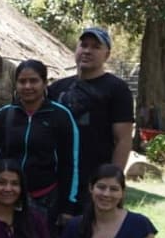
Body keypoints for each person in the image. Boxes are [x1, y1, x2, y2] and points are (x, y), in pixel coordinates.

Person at [0, 60, 80, 223]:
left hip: (44, 198)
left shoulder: (60, 116)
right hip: (6, 198)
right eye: (22, 81)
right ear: (15, 84)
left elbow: (70, 163)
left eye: (34, 81)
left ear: (44, 83)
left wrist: (67, 206)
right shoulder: (4, 115)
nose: (27, 86)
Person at [48, 25, 135, 178]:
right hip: (56, 176)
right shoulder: (56, 88)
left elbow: (123, 139)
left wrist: (113, 179)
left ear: (106, 55)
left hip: (94, 177)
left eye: (96, 47)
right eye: (84, 45)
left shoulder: (117, 89)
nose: (87, 51)